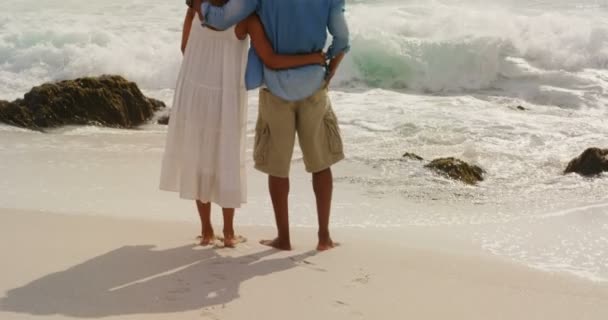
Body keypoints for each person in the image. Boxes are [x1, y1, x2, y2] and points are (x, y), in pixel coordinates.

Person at [160, 0, 326, 248]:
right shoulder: (246, 20)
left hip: (195, 90)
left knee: (200, 155)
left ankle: (206, 230)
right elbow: (271, 59)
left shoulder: (196, 7)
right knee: (226, 158)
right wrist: (313, 58)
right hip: (227, 96)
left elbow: (185, 48)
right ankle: (228, 233)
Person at [196, 0, 350, 251]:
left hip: (274, 85)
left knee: (278, 167)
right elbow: (342, 36)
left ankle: (284, 238)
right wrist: (329, 68)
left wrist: (198, 5)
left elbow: (222, 18)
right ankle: (324, 237)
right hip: (313, 82)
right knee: (321, 163)